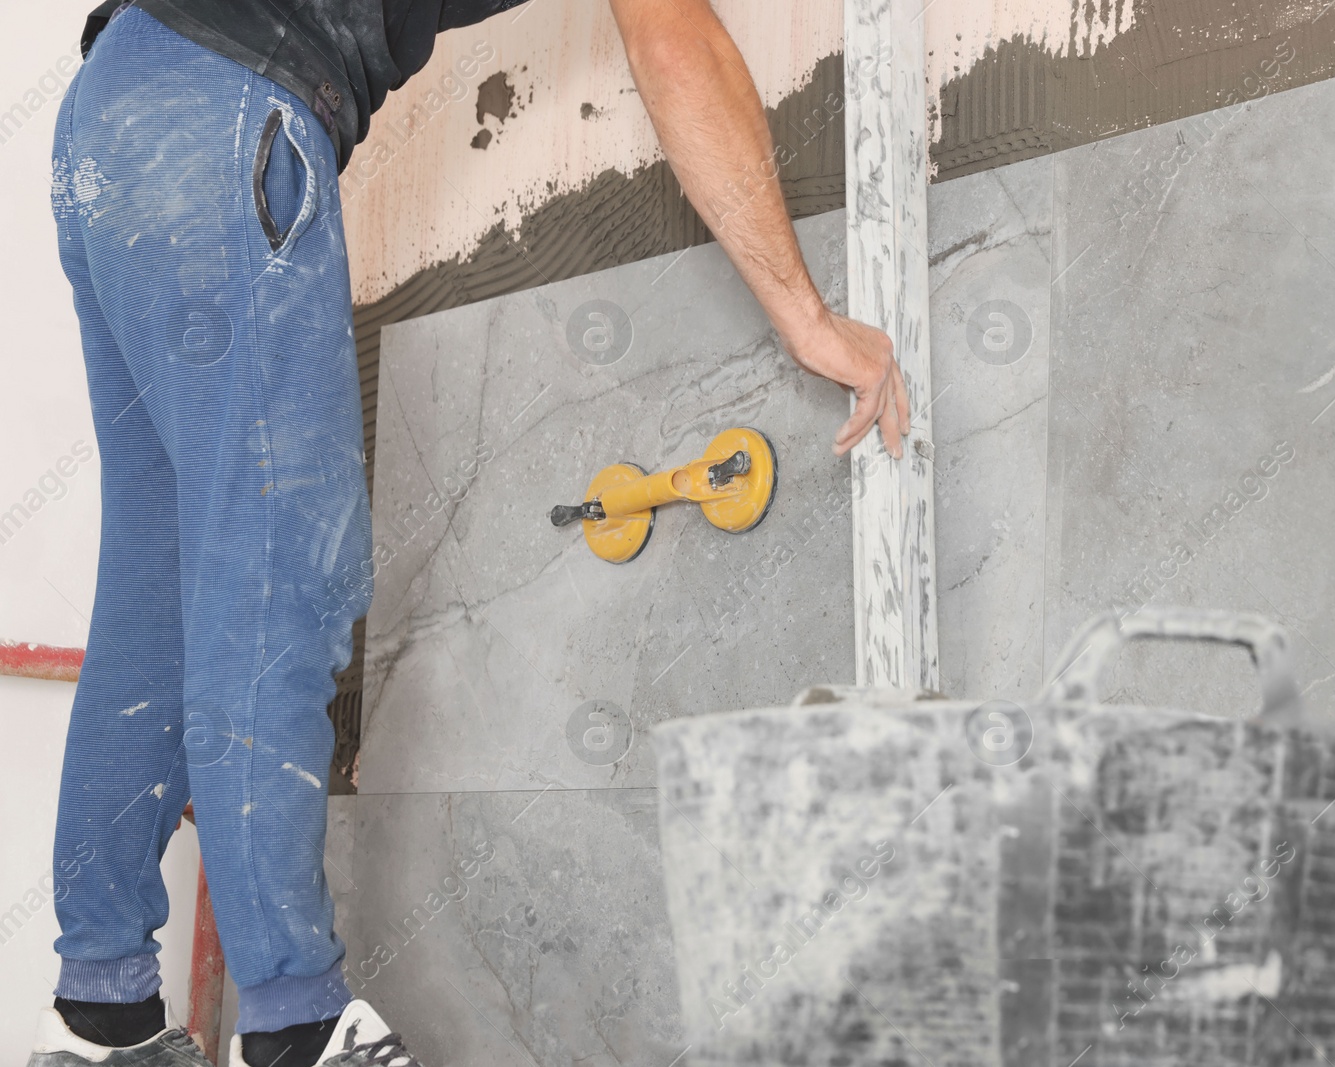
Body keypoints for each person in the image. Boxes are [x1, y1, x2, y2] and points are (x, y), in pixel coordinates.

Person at [31, 0, 909, 1063]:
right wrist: (808, 316)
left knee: (157, 580)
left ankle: (100, 1012)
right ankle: (297, 1022)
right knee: (280, 570)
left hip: (109, 114)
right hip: (224, 98)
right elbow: (676, 35)